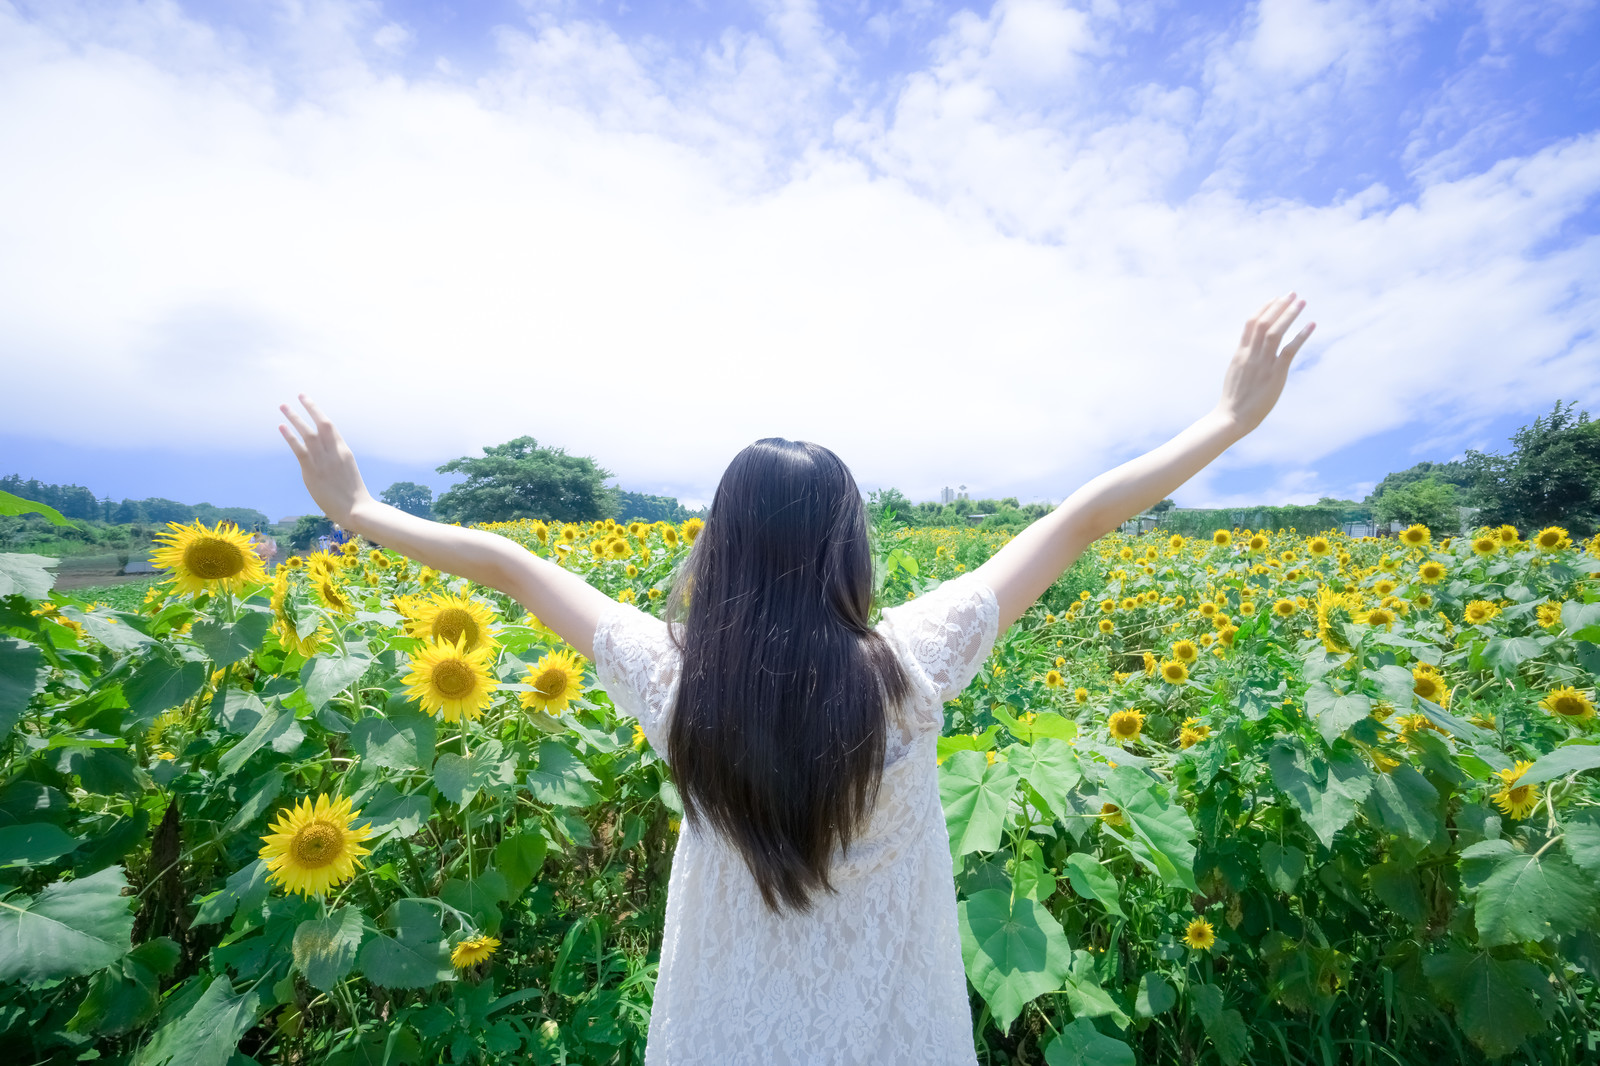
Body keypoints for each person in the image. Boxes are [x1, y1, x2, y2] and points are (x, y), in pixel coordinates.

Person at [277, 293, 1313, 1065]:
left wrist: (360, 510)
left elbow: (507, 561)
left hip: (724, 1032)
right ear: (848, 549)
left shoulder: (675, 680)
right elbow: (1081, 518)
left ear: (719, 545)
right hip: (889, 1031)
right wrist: (1226, 420)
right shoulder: (913, 663)